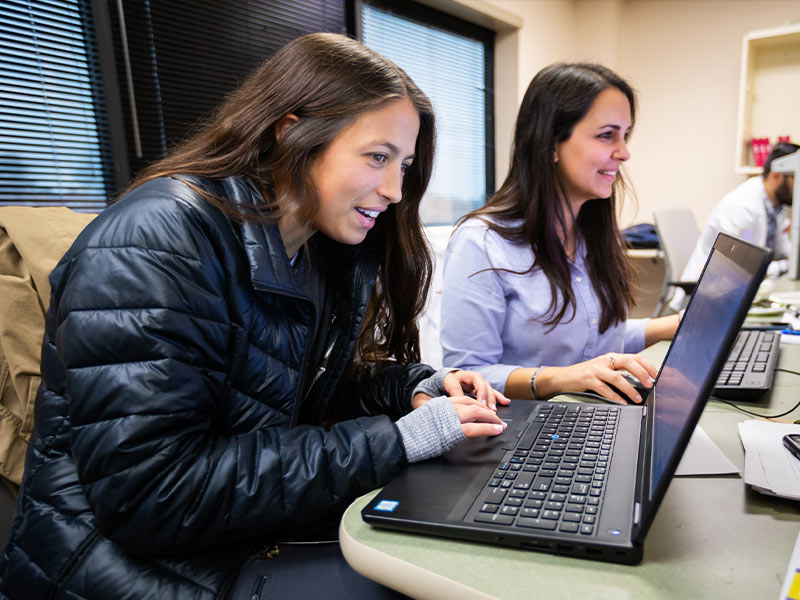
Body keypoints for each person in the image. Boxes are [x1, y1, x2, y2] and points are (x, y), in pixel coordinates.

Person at [0, 33, 508, 600]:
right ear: (290, 131)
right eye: (376, 156)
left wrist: (413, 389)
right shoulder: (156, 239)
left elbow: (294, 393)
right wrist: (393, 442)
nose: (394, 189)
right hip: (120, 569)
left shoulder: (312, 247)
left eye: (405, 164)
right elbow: (152, 496)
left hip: (238, 535)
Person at [440, 62, 680, 407]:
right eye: (607, 135)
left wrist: (675, 325)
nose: (624, 152)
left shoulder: (592, 235)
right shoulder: (482, 243)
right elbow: (466, 376)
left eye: (625, 135)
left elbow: (593, 343)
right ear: (552, 143)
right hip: (519, 431)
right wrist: (562, 377)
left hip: (589, 414)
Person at [679, 141, 799, 290]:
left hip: (740, 286)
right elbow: (743, 267)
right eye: (797, 178)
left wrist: (792, 259)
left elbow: (782, 249)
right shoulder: (742, 207)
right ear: (775, 177)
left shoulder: (776, 207)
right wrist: (784, 264)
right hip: (710, 290)